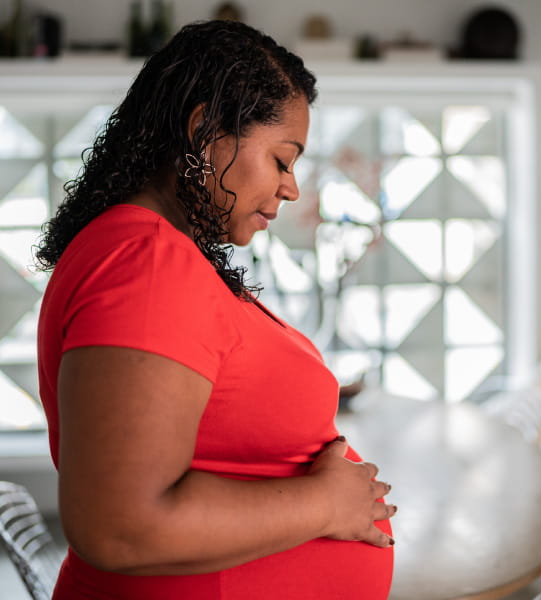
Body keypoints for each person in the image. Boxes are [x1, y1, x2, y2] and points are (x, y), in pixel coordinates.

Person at [35, 20, 395, 600]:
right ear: (204, 133)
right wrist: (327, 503)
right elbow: (121, 527)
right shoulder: (149, 262)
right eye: (282, 160)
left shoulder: (150, 252)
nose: (291, 188)